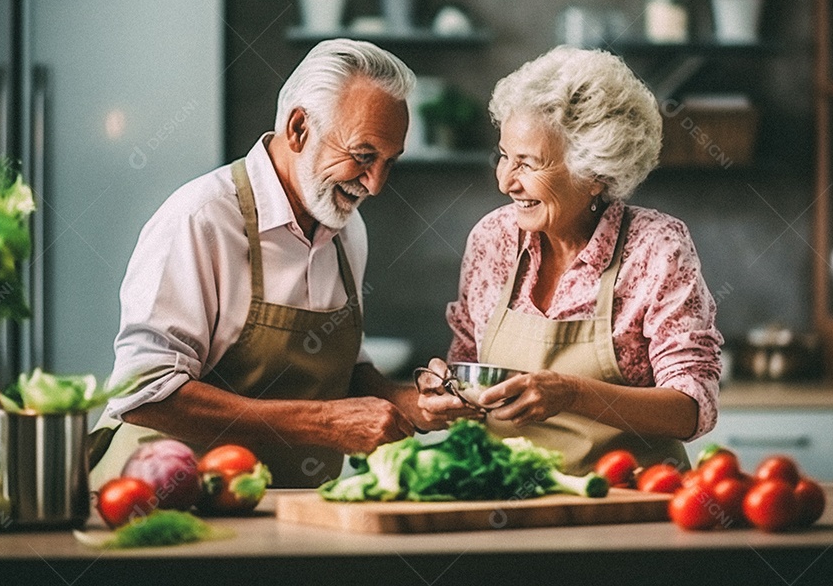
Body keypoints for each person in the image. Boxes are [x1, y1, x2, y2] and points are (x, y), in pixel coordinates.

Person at [89, 38, 431, 488]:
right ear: (299, 129)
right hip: (163, 507)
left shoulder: (347, 229)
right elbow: (142, 392)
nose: (376, 184)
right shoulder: (202, 217)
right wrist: (324, 424)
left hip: (284, 511)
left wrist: (406, 401)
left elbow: (340, 366)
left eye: (390, 163)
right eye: (363, 156)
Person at [416, 46, 723, 475]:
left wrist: (574, 394)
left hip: (627, 504)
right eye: (504, 156)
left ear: (595, 174)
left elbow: (693, 408)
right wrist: (447, 392)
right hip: (504, 498)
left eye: (528, 163)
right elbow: (469, 363)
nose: (506, 181)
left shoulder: (656, 247)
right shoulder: (493, 239)